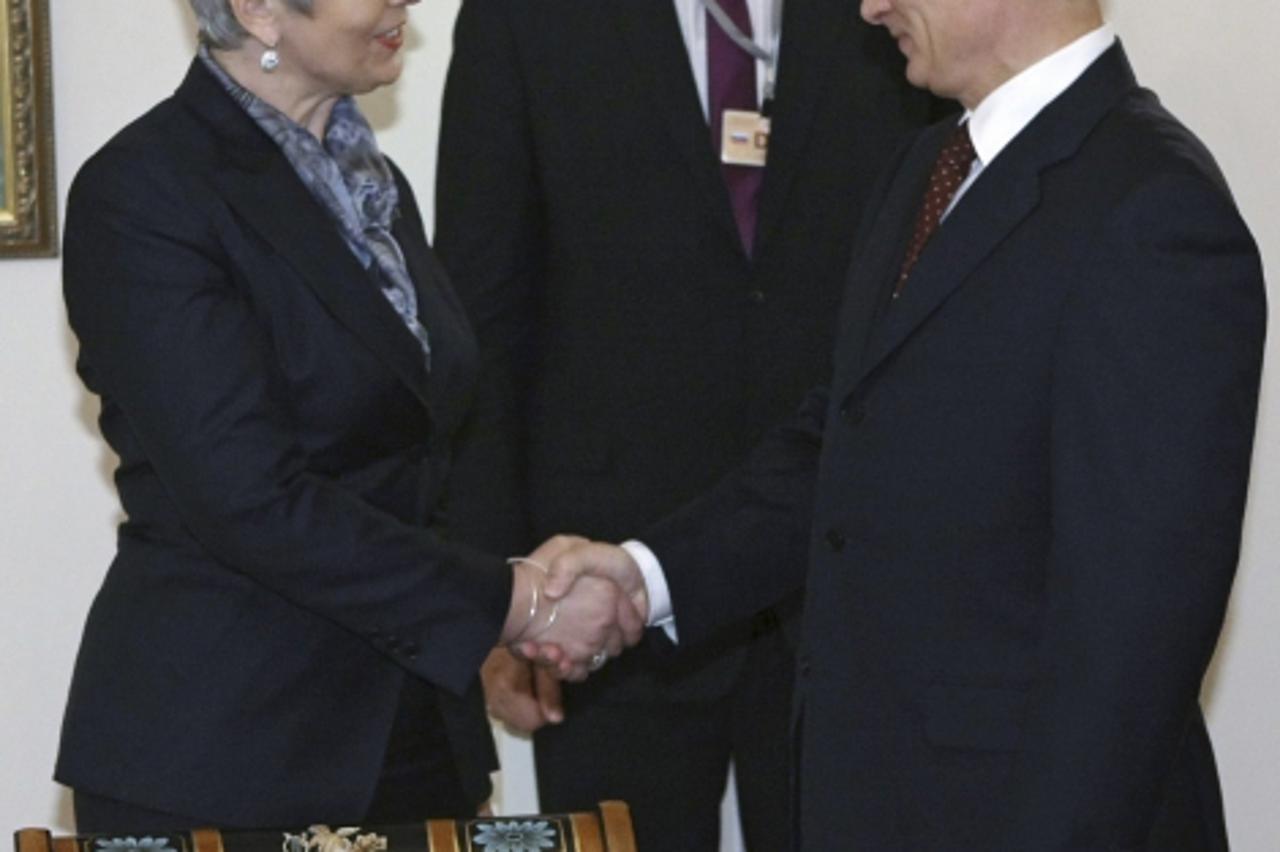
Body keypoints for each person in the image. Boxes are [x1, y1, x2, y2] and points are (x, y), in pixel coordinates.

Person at [532, 0, 1268, 848]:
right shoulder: (926, 168)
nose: (869, 6)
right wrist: (644, 576)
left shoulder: (1154, 207)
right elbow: (840, 441)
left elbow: (1136, 642)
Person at [56, 0, 638, 833]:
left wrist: (494, 615)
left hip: (415, 729)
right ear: (258, 9)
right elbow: (248, 498)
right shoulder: (145, 189)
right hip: (229, 747)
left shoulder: (373, 184)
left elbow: (422, 452)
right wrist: (509, 602)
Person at [433, 0, 944, 846]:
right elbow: (483, 313)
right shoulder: (524, 16)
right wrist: (496, 597)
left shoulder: (889, 11)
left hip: (846, 570)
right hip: (603, 594)